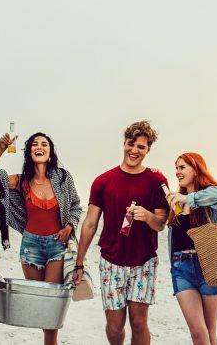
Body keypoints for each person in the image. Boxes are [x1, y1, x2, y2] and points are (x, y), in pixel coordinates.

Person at [72, 120, 169, 345]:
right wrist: (79, 262)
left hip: (143, 262)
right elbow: (89, 224)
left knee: (138, 323)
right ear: (124, 143)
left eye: (141, 147)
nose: (134, 150)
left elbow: (161, 223)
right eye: (130, 144)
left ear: (148, 149)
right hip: (111, 261)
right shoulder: (103, 181)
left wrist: (148, 216)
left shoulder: (156, 180)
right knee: (115, 328)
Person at [0, 132, 81, 345]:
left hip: (57, 245)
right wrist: (2, 148)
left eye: (44, 144)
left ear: (50, 152)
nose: (40, 147)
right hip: (30, 247)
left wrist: (69, 226)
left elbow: (76, 205)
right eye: (35, 144)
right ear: (29, 152)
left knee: (51, 307)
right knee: (41, 306)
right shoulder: (21, 181)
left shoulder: (64, 178)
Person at [164, 152, 217, 345]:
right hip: (181, 268)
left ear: (196, 168)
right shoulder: (177, 201)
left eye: (182, 167)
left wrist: (186, 199)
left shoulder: (213, 195)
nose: (177, 172)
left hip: (210, 266)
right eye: (176, 168)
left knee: (209, 331)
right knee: (198, 332)